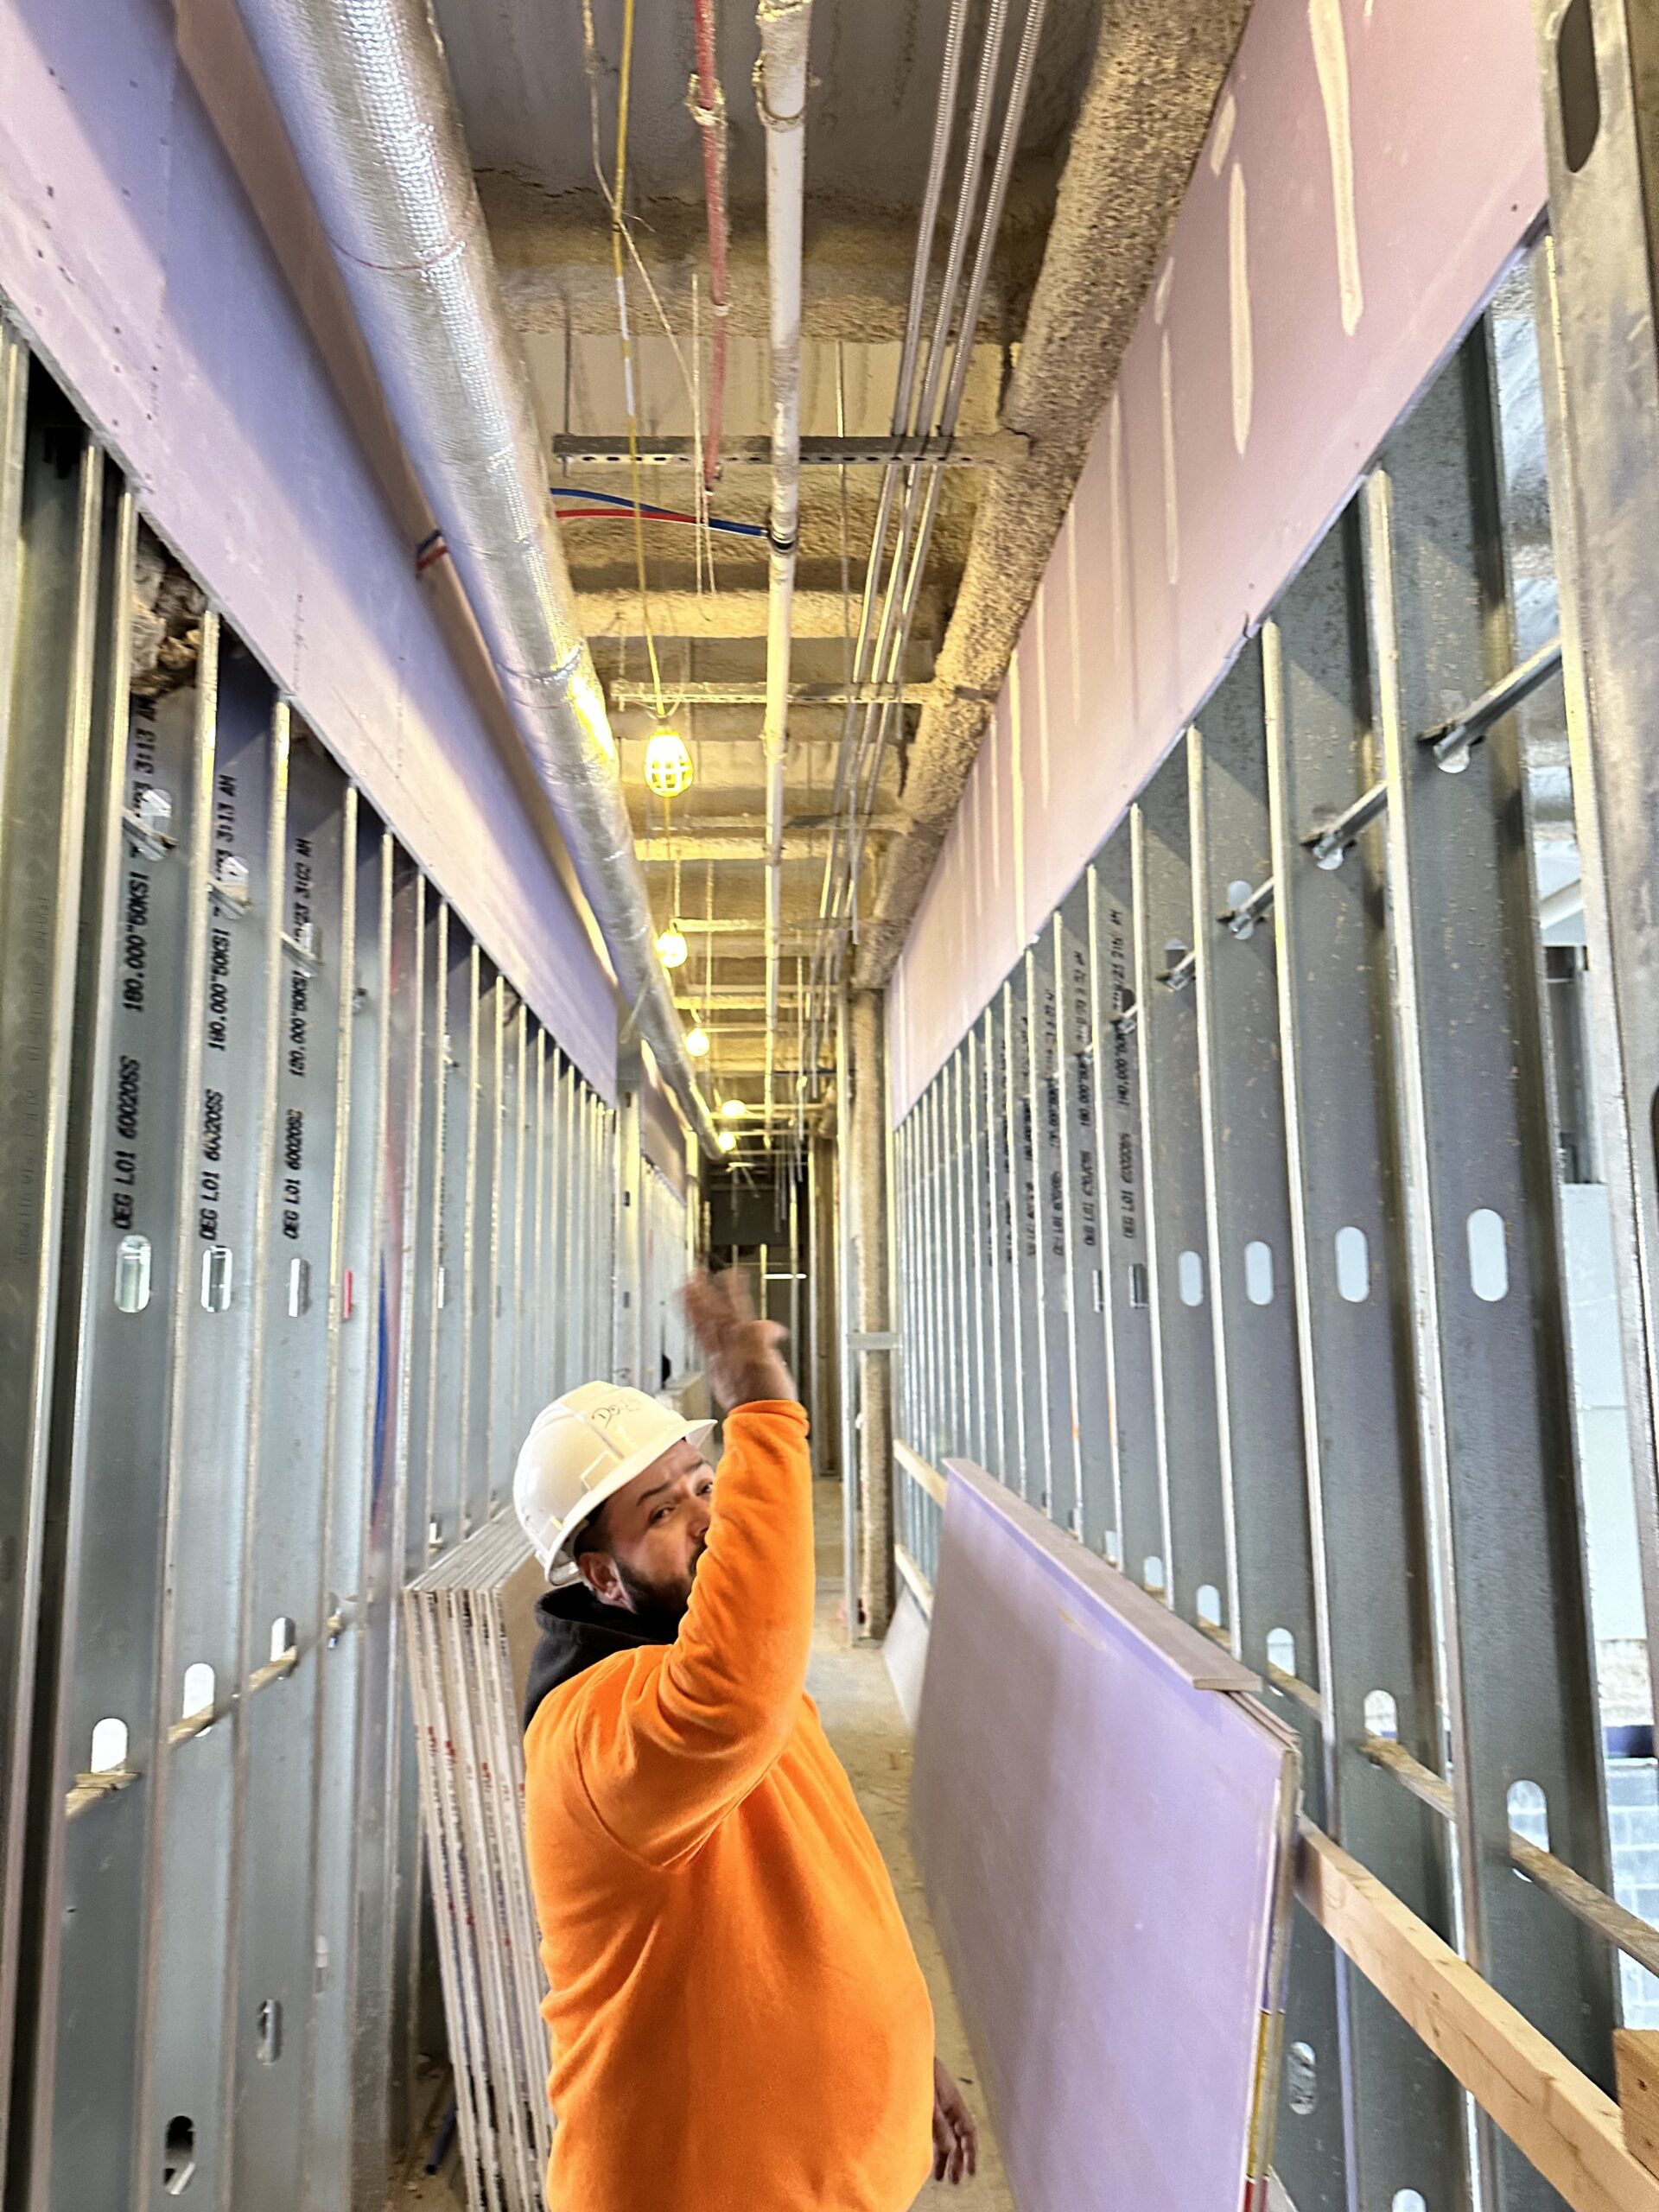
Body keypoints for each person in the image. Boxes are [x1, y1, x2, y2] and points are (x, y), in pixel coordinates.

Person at [513, 1268, 979, 2211]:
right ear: (601, 1576)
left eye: (703, 1483)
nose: (706, 1515)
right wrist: (763, 1413)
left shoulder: (725, 1680)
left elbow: (822, 1866)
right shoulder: (592, 1730)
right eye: (662, 1512)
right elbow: (731, 1694)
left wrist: (904, 2041)